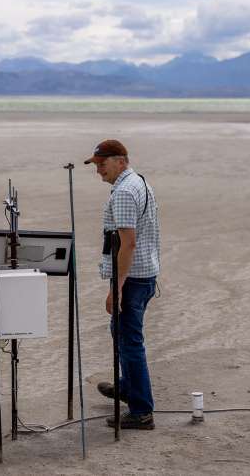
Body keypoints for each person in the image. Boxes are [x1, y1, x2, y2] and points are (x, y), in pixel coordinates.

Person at [85, 139, 161, 430]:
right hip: (144, 274)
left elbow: (127, 244)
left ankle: (141, 411)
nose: (98, 171)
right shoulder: (138, 182)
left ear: (120, 160)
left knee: (129, 342)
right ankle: (127, 388)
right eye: (96, 165)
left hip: (133, 278)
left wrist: (115, 288)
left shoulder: (126, 192)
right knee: (121, 334)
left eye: (102, 164)